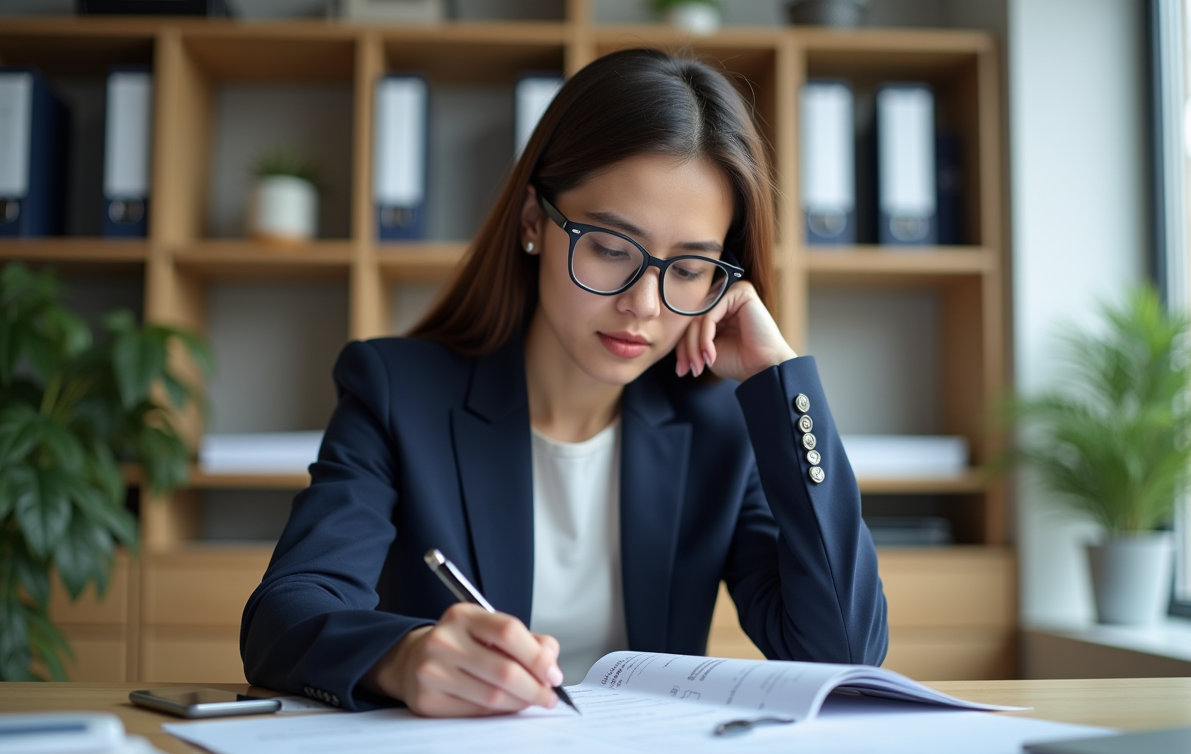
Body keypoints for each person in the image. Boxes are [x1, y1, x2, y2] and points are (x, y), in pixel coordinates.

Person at [241, 47, 888, 717]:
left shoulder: (720, 425)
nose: (644, 304)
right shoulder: (396, 393)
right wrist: (401, 658)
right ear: (532, 222)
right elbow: (284, 617)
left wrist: (782, 387)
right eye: (611, 248)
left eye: (690, 268)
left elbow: (841, 652)